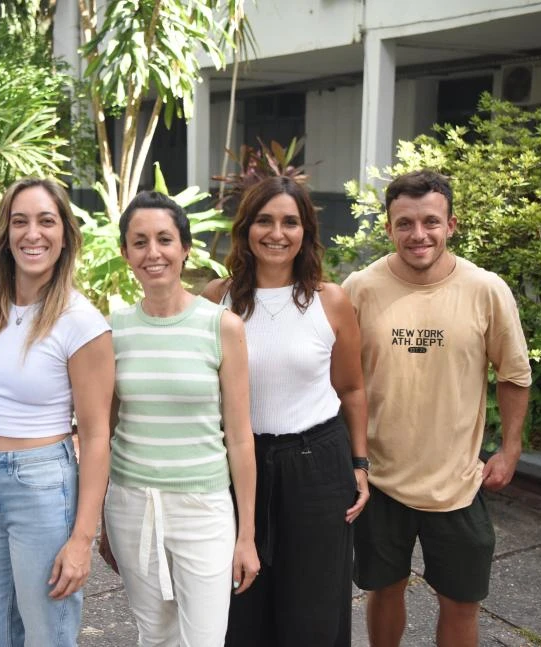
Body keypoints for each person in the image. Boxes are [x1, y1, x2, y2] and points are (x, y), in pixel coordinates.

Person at [341, 170, 532, 647]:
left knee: (462, 603)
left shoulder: (486, 289)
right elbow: (339, 381)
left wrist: (509, 449)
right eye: (404, 223)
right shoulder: (359, 289)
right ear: (388, 228)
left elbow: (513, 374)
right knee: (382, 592)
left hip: (459, 482)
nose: (418, 234)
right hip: (380, 479)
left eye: (431, 221)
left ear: (452, 225)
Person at [0, 178, 114, 646]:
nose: (32, 234)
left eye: (46, 221)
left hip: (43, 486)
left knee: (47, 637)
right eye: (20, 221)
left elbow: (97, 436)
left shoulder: (81, 323)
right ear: (5, 233)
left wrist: (81, 539)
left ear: (65, 236)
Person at [202, 175, 369, 646]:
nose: (277, 233)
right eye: (265, 220)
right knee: (239, 603)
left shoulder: (328, 300)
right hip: (238, 464)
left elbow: (352, 388)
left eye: (290, 222)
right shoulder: (218, 298)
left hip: (316, 466)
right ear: (246, 229)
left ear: (306, 232)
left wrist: (360, 463)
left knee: (312, 609)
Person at [99, 191, 260, 647]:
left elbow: (241, 438)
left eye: (165, 239)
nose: (153, 253)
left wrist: (246, 535)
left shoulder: (221, 326)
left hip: (203, 507)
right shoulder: (114, 331)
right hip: (131, 506)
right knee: (154, 634)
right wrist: (99, 520)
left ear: (185, 248)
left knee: (205, 638)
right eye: (140, 241)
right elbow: (103, 433)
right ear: (125, 253)